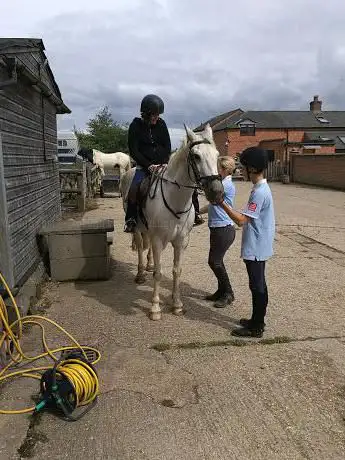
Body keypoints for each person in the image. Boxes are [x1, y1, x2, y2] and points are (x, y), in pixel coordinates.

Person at [214, 147, 275, 338]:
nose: (242, 170)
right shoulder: (259, 188)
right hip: (257, 244)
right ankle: (255, 319)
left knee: (257, 286)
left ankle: (257, 326)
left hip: (257, 246)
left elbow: (241, 220)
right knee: (256, 285)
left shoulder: (259, 192)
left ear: (253, 168)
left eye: (245, 167)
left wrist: (221, 202)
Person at [124, 94, 172, 233]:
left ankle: (194, 213)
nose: (156, 117)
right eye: (154, 115)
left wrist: (163, 163)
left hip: (162, 165)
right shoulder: (135, 126)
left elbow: (167, 146)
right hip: (144, 167)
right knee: (134, 189)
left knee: (180, 182)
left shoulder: (162, 124)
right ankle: (131, 219)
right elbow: (134, 150)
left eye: (158, 114)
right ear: (145, 114)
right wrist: (148, 165)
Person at [199, 156, 237, 307]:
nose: (215, 172)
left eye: (217, 169)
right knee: (216, 261)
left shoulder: (225, 185)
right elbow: (212, 205)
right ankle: (221, 291)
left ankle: (228, 293)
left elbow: (209, 195)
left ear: (225, 170)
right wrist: (197, 212)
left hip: (223, 229)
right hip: (218, 228)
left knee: (214, 261)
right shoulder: (222, 184)